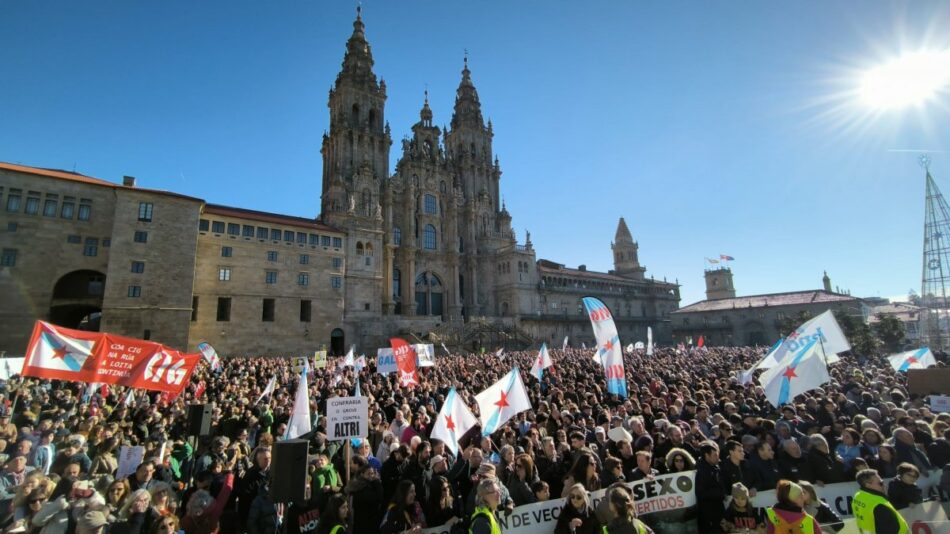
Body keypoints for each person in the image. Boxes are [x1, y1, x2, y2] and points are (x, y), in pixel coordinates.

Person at [852, 468, 908, 534]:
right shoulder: (879, 504)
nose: (884, 485)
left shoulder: (858, 496)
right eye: (880, 483)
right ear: (868, 485)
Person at [695, 441, 726, 532]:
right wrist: (719, 492)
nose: (718, 458)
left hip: (717, 510)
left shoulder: (715, 468)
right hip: (708, 514)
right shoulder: (701, 472)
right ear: (707, 455)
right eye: (715, 455)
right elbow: (701, 493)